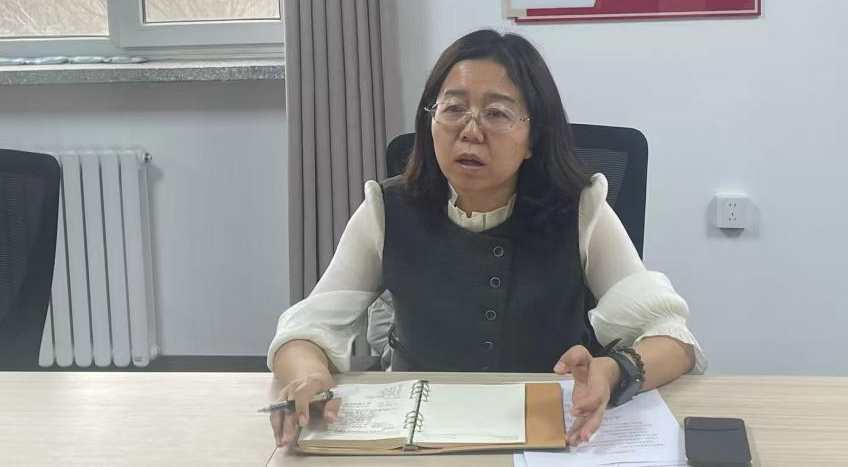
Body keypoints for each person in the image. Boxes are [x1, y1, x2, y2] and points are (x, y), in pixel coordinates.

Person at [268, 29, 705, 448]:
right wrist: (309, 375)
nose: (470, 131)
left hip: (545, 433)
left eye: (497, 114)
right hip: (418, 434)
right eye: (453, 109)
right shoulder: (386, 208)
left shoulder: (580, 208)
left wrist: (613, 370)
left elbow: (674, 340)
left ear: (533, 138)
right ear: (430, 121)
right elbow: (307, 329)